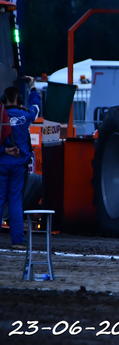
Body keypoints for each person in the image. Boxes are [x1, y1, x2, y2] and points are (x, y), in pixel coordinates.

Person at [1, 76, 41, 250]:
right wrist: (32, 87)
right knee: (16, 201)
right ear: (19, 100)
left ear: (3, 100)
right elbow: (37, 109)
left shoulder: (1, 118)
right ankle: (17, 240)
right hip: (19, 166)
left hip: (2, 164)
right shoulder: (25, 115)